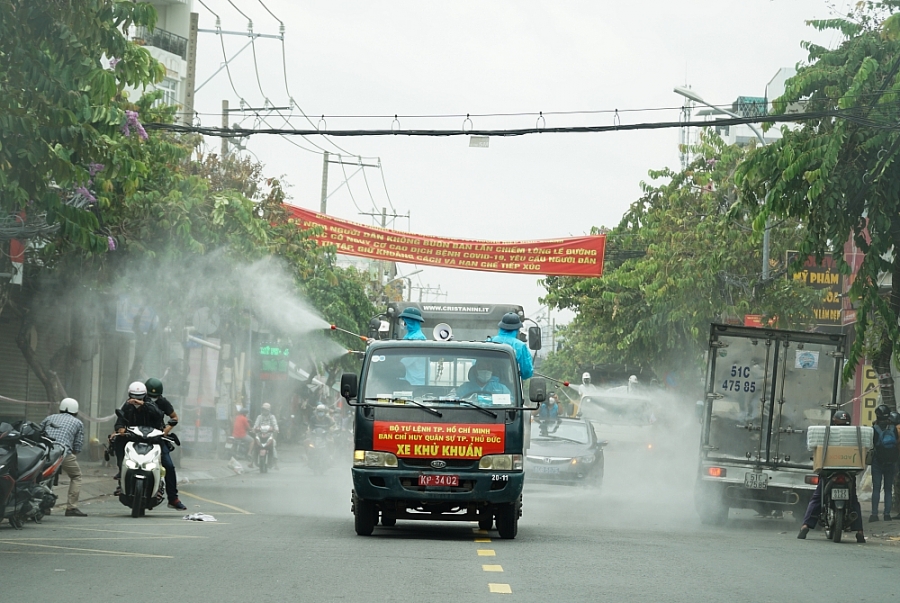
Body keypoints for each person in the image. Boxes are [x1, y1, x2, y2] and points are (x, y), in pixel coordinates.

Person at [797, 410, 865, 543]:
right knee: (853, 500)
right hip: (849, 472)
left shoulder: (826, 434)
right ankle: (860, 531)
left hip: (829, 472)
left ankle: (806, 525)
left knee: (817, 498)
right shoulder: (855, 435)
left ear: (834, 422)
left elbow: (813, 446)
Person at [112, 381, 164, 495]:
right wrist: (120, 429)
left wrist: (143, 404)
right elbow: (120, 420)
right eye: (134, 397)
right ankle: (122, 473)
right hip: (133, 437)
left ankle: (160, 483)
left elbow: (159, 414)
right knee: (118, 441)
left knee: (167, 461)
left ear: (145, 395)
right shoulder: (127, 406)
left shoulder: (150, 404)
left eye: (140, 397)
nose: (136, 400)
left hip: (152, 438)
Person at [40, 398, 86, 517]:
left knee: (45, 476)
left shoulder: (49, 418)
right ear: (76, 410)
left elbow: (39, 433)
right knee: (76, 476)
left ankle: (43, 507)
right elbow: (78, 445)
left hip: (44, 451)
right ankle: (71, 508)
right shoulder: (77, 423)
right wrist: (71, 455)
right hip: (62, 452)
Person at [145, 377, 186, 511]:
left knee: (168, 465)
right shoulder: (137, 401)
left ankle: (173, 499)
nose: (153, 398)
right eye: (150, 395)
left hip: (157, 439)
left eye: (155, 396)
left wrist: (166, 431)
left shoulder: (163, 403)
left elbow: (174, 417)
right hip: (138, 437)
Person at [870, 403, 898, 523]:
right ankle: (887, 514)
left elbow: (872, 443)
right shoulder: (893, 428)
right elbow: (896, 442)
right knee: (888, 488)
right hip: (891, 462)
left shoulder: (874, 429)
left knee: (876, 488)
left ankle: (874, 514)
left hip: (877, 461)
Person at [489, 313, 534, 380]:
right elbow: (526, 372)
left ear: (501, 327)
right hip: (511, 388)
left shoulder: (490, 341)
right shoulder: (520, 346)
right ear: (518, 329)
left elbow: (479, 365)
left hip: (485, 388)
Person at [398, 307, 427, 385]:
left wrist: (392, 363)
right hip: (410, 377)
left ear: (410, 321)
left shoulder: (418, 338)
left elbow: (407, 359)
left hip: (417, 380)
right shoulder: (409, 335)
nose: (403, 323)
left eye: (405, 320)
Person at [249, 403, 279, 469]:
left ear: (269, 410)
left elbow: (275, 424)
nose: (264, 411)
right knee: (255, 446)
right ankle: (251, 462)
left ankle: (276, 463)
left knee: (273, 446)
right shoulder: (259, 417)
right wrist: (254, 429)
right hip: (260, 435)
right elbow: (256, 424)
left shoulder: (272, 417)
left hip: (269, 435)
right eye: (263, 410)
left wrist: (276, 429)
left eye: (265, 410)